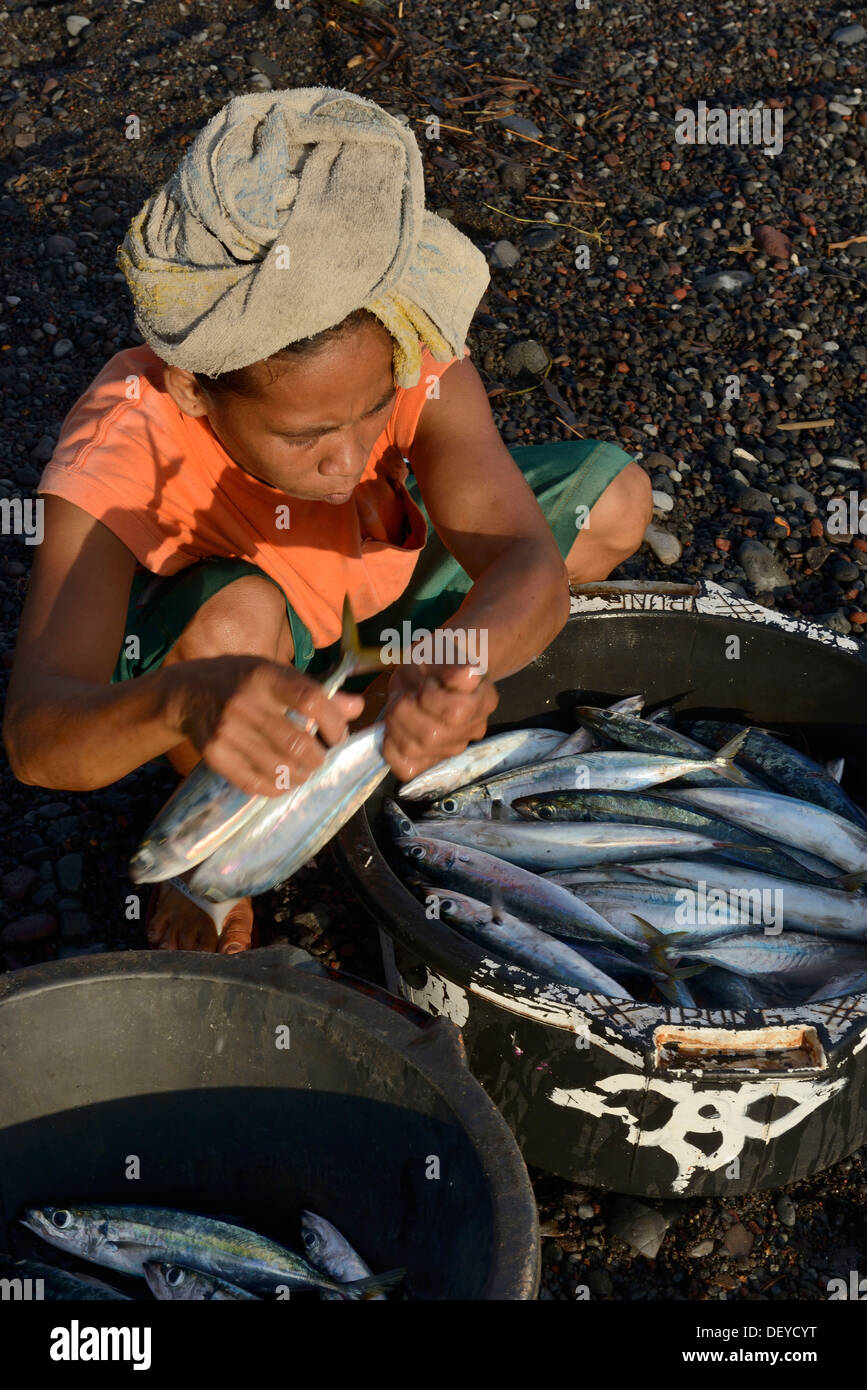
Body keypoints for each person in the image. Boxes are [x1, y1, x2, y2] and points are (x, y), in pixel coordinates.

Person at [3, 88, 652, 955]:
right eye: (306, 435)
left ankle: (378, 707)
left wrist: (454, 667)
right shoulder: (121, 448)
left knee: (614, 503)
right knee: (231, 624)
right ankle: (216, 850)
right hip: (242, 653)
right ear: (193, 387)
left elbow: (523, 563)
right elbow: (39, 739)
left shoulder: (409, 344)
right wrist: (180, 704)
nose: (348, 461)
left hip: (374, 602)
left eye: (371, 412)